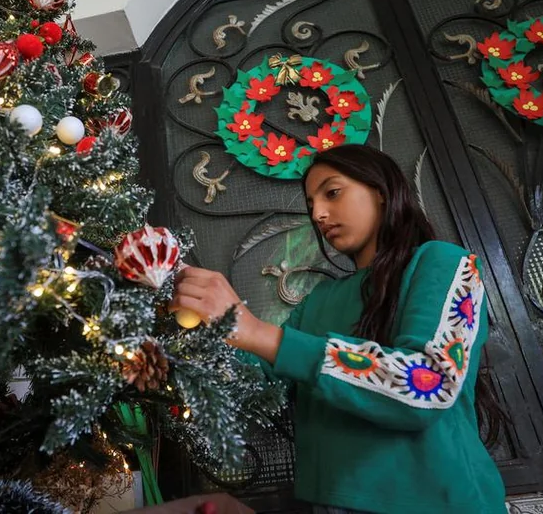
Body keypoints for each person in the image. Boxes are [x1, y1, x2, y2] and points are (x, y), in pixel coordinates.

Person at [170, 144, 507, 514]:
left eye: (332, 193)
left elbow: (428, 384)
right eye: (311, 203)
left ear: (380, 190)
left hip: (440, 502)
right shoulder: (320, 299)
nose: (318, 213)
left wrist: (255, 330)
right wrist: (192, 317)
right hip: (328, 502)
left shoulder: (445, 262)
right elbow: (256, 382)